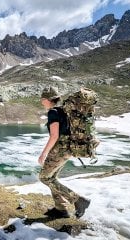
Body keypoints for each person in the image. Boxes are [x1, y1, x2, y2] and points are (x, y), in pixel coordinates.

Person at [38, 86, 90, 219]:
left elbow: (54, 136)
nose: (41, 101)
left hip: (59, 150)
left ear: (49, 99)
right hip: (68, 150)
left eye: (42, 99)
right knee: (52, 178)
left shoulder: (53, 112)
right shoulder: (63, 111)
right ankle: (61, 209)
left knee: (44, 177)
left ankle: (78, 200)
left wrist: (43, 153)